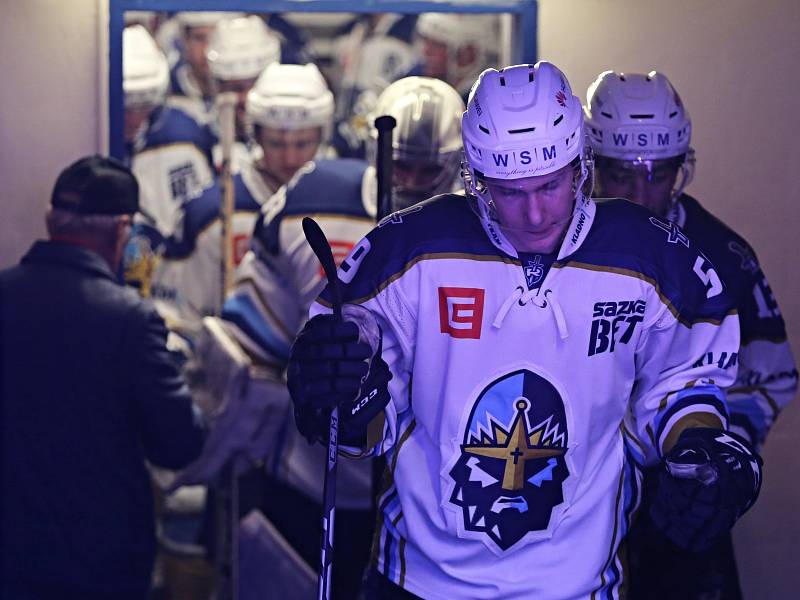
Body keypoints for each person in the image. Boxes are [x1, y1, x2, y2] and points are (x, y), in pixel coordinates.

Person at [285, 61, 764, 599]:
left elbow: (683, 381)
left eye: (551, 185)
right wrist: (343, 394)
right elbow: (367, 428)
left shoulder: (651, 256)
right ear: (474, 178)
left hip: (578, 585)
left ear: (581, 165)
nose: (535, 215)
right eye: (509, 192)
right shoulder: (409, 248)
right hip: (418, 581)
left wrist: (701, 447)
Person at [181, 76, 466, 598]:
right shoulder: (312, 199)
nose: (414, 179)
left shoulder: (484, 226)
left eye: (431, 167)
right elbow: (250, 339)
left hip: (435, 492)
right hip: (316, 475)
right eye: (402, 163)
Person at [584, 69, 798, 599]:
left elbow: (771, 375)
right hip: (571, 494)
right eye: (619, 174)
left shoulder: (724, 255)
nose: (640, 192)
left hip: (677, 496)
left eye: (658, 173)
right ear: (588, 166)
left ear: (683, 167)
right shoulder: (551, 244)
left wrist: (715, 464)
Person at [0, 156, 205, 599]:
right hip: (100, 561)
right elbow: (179, 443)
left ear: (51, 221)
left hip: (10, 555)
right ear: (121, 230)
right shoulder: (129, 320)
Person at [150, 62, 335, 331]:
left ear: (322, 136)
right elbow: (176, 315)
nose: (290, 158)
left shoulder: (344, 205)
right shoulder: (211, 213)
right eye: (276, 143)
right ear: (256, 135)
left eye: (303, 143)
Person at [124, 24, 216, 237]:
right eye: (126, 107)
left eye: (143, 105)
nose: (133, 118)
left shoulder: (185, 135)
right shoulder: (88, 136)